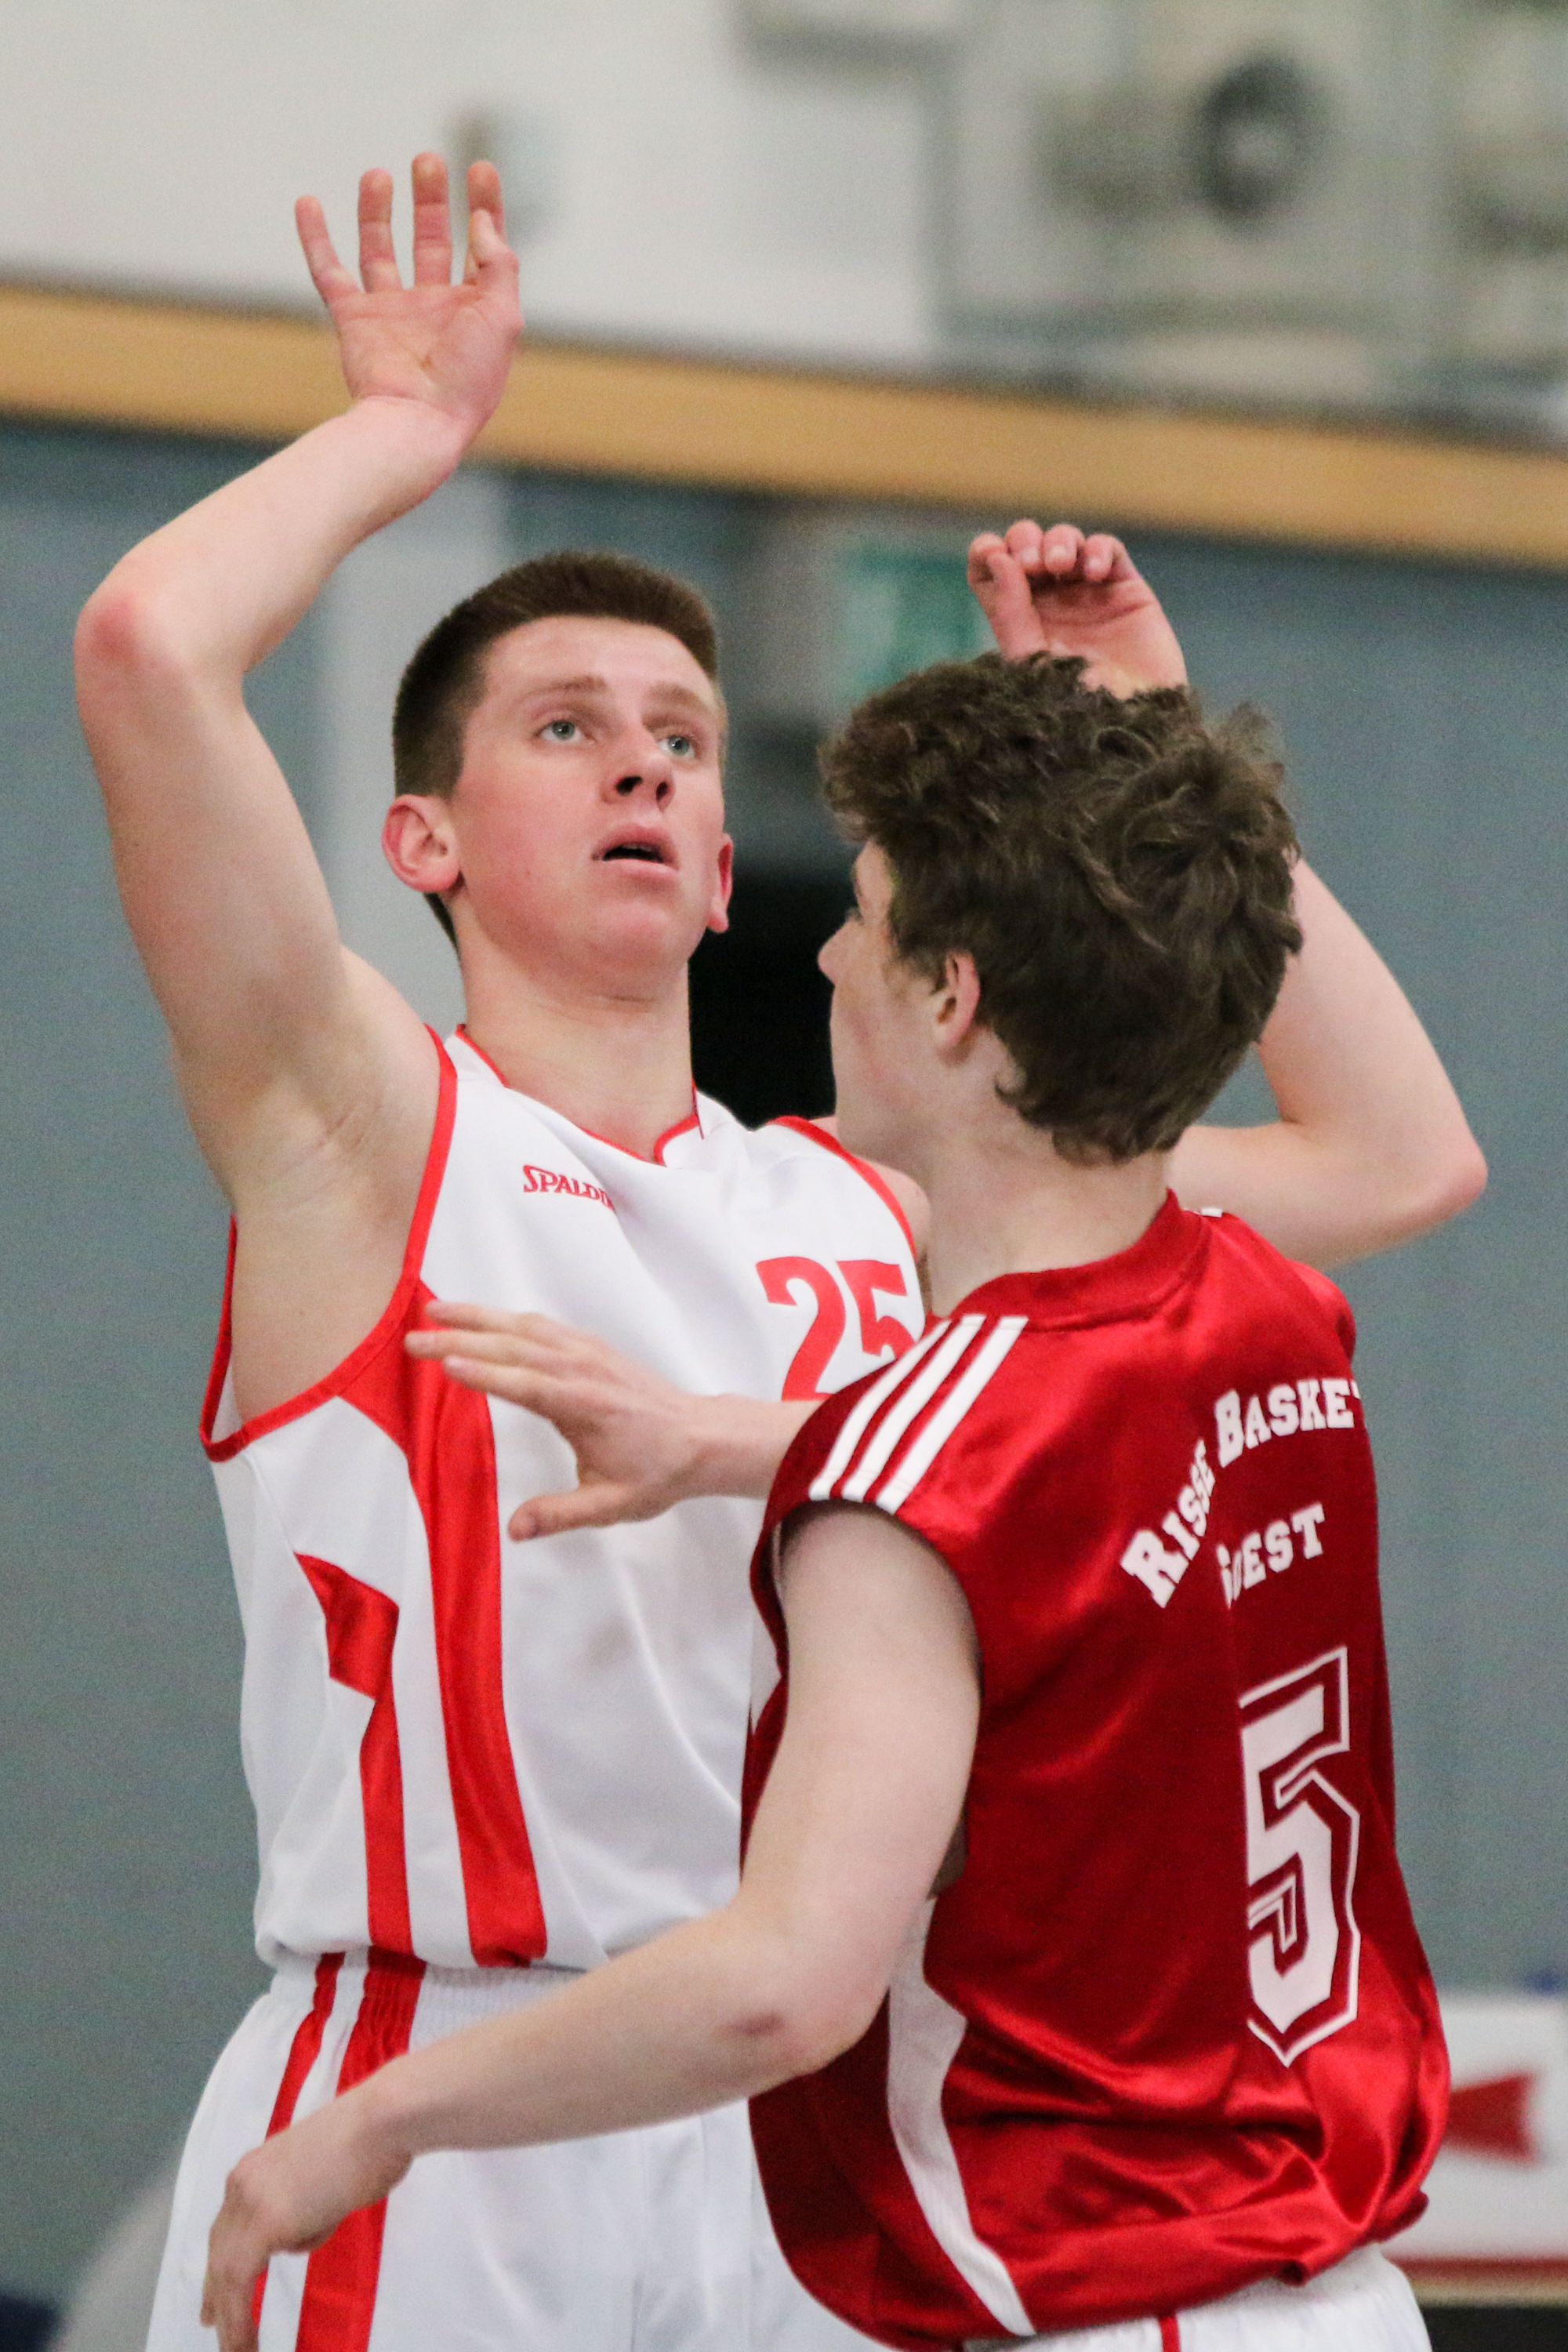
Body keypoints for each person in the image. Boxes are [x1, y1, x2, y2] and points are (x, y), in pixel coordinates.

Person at [74, 154, 1475, 2352]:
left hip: (782, 2083)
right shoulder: (364, 1127)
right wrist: (403, 435)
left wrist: (1154, 754)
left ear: (735, 868)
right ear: (421, 839)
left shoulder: (888, 1196)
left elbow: (1390, 1155)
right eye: (565, 728)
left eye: (682, 741)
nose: (638, 763)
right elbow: (151, 655)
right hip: (446, 2081)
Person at [202, 647, 1448, 2352]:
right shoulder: (1264, 1316)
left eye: (859, 920)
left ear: (949, 999)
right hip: (1321, 2275)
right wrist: (1171, 775)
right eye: (570, 730)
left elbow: (786, 1980)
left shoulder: (905, 1452)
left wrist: (375, 2123)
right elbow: (1050, 1472)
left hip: (1066, 2250)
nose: (824, 953)